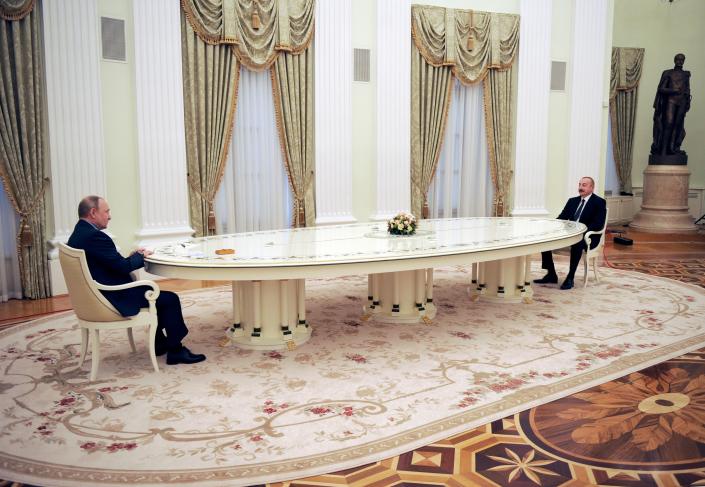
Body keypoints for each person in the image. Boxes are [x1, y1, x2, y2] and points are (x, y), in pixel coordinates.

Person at [67, 196, 206, 365]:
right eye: (107, 211)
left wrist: (132, 258)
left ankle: (160, 343)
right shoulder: (96, 237)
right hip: (113, 296)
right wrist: (140, 257)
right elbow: (123, 268)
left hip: (98, 293)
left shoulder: (79, 233)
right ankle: (176, 351)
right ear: (93, 213)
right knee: (169, 299)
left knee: (159, 299)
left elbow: (110, 264)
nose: (109, 216)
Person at [534, 177, 607, 290]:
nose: (580, 187)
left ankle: (570, 277)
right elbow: (562, 218)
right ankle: (551, 274)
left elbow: (598, 224)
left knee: (577, 243)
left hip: (588, 237)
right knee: (546, 239)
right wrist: (550, 226)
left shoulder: (599, 202)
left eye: (584, 185)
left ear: (592, 187)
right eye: (580, 184)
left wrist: (581, 231)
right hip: (570, 234)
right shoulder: (572, 201)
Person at [650, 53, 691, 157]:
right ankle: (663, 150)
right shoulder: (668, 73)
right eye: (678, 59)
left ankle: (672, 148)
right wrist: (673, 90)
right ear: (674, 60)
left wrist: (687, 100)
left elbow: (687, 89)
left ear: (684, 61)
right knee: (668, 124)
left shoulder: (686, 74)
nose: (680, 61)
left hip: (681, 102)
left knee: (678, 125)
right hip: (671, 101)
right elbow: (661, 89)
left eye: (682, 60)